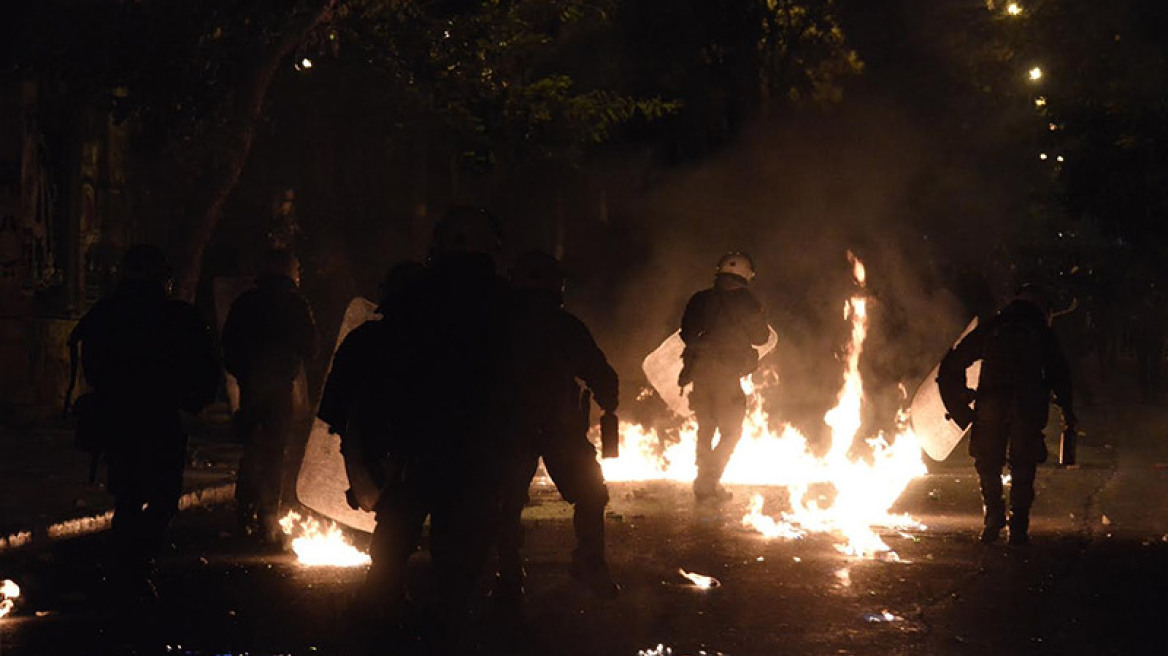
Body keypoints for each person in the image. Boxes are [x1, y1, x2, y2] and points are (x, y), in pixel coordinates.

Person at [357, 207, 513, 642]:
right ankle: (448, 625)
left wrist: (375, 444)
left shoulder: (411, 300)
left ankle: (376, 620)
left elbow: (382, 374)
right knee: (462, 548)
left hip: (415, 446)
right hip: (478, 449)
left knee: (396, 533)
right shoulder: (506, 304)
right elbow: (524, 379)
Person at [68, 244, 219, 600]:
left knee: (128, 494)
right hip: (158, 419)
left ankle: (128, 566)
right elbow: (199, 367)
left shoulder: (104, 314)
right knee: (164, 496)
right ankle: (138, 562)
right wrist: (192, 401)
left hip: (118, 421)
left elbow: (92, 366)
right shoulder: (174, 316)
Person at [495, 250, 621, 608]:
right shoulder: (565, 325)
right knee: (591, 493)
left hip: (514, 427)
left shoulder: (498, 324)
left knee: (506, 502)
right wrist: (608, 400)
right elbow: (600, 372)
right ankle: (589, 564)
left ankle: (509, 575)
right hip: (555, 426)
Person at [938, 285, 1076, 546]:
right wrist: (1068, 412)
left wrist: (961, 402)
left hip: (992, 402)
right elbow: (1060, 375)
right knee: (1023, 466)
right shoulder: (1041, 332)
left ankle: (993, 517)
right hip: (1027, 404)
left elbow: (952, 364)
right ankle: (1019, 527)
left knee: (987, 462)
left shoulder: (994, 326)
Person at [221, 250, 318, 543]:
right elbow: (310, 346)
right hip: (279, 392)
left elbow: (229, 346)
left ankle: (244, 513)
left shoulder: (246, 303)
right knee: (275, 453)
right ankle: (267, 518)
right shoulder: (295, 304)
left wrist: (243, 374)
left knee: (251, 449)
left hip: (251, 388)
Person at [678, 252, 769, 501]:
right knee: (731, 431)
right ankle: (708, 480)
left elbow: (687, 334)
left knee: (706, 427)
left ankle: (705, 482)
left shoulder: (700, 299)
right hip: (727, 375)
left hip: (700, 372)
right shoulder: (748, 301)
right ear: (746, 275)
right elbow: (760, 337)